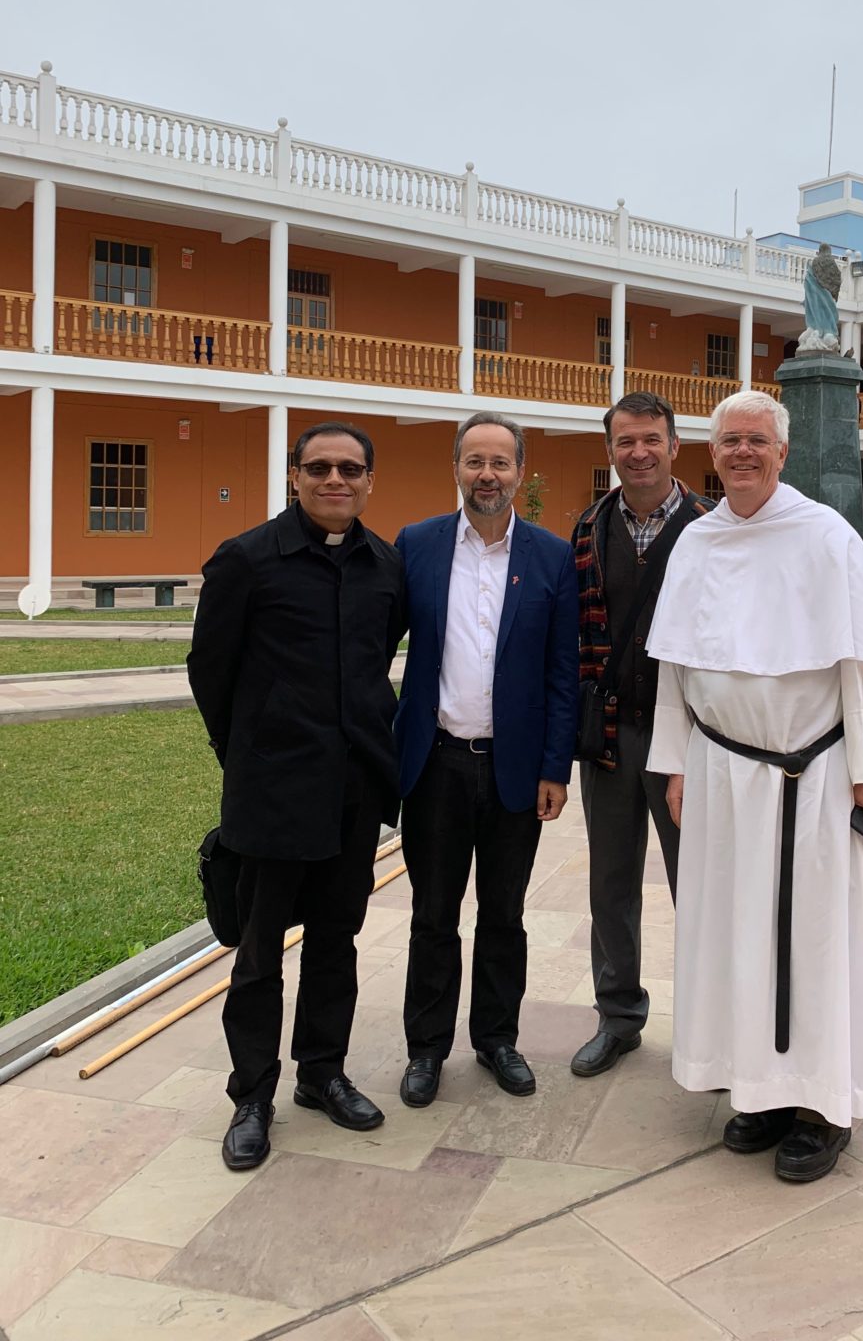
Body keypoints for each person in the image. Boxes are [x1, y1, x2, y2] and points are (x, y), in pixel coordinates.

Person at [645, 391, 863, 1184]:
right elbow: (676, 667)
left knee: (816, 939)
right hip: (721, 773)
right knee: (734, 932)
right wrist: (674, 764)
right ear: (712, 452)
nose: (742, 452)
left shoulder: (823, 536)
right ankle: (761, 1092)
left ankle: (824, 1106)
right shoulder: (696, 542)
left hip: (814, 775)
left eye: (756, 441)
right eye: (729, 440)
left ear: (782, 452)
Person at [188, 422, 406, 1171]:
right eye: (319, 467)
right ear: (295, 475)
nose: (334, 480)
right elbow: (209, 670)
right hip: (272, 792)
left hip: (353, 790)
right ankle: (252, 1096)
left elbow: (378, 660)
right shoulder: (248, 560)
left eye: (350, 468)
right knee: (258, 954)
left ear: (370, 480)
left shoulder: (385, 566)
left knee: (337, 941)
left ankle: (322, 1073)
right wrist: (245, 755)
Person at [393, 411, 577, 1108]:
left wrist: (555, 768)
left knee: (504, 914)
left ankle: (498, 1038)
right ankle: (426, 1049)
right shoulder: (418, 545)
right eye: (475, 461)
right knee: (433, 914)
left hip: (514, 771)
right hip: (435, 765)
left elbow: (564, 673)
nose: (488, 475)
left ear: (520, 472)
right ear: (457, 469)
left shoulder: (550, 558)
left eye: (501, 462)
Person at [569, 391, 713, 1078]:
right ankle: (618, 1017)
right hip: (610, 734)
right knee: (611, 883)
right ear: (611, 451)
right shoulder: (588, 527)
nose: (639, 452)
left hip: (691, 739)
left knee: (703, 882)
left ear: (674, 446)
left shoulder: (714, 528)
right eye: (626, 441)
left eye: (651, 439)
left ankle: (713, 1023)